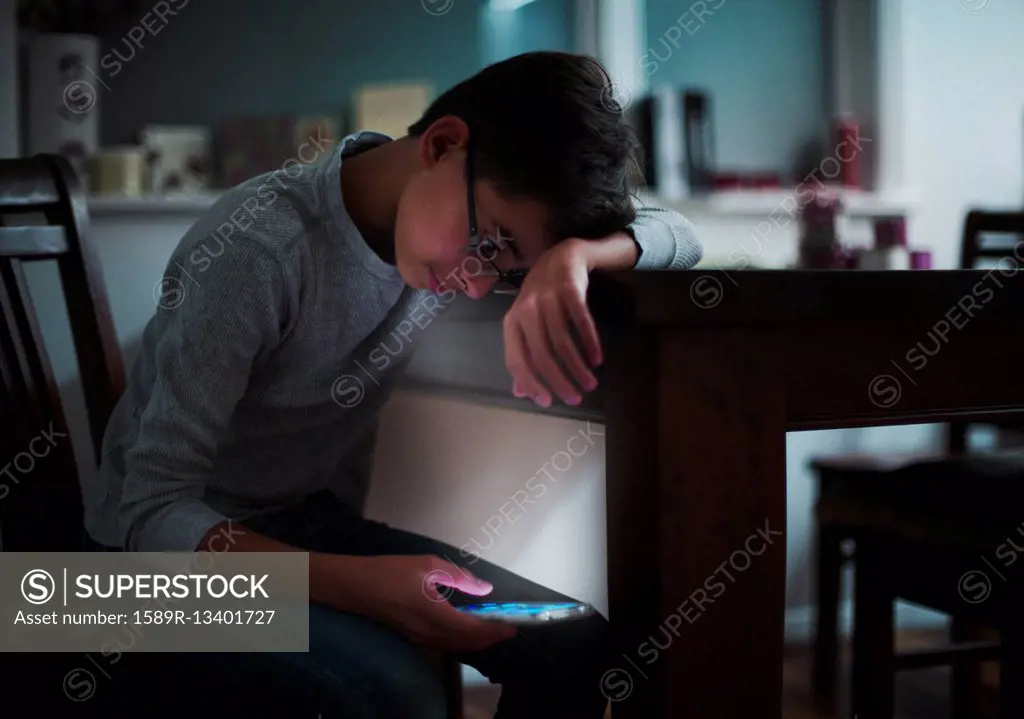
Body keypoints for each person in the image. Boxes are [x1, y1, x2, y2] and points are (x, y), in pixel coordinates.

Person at [84, 51, 702, 718]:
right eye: (491, 243)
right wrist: (363, 586)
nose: (475, 282)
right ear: (441, 144)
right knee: (397, 694)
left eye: (507, 263)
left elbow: (680, 233)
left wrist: (571, 258)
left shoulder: (444, 231)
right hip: (143, 574)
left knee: (573, 638)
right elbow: (148, 514)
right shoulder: (260, 249)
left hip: (303, 526)